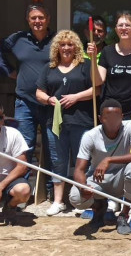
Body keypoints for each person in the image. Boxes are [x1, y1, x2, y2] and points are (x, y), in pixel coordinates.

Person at [36, 30, 101, 216]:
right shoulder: (49, 68)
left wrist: (76, 97)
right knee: (58, 161)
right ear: (57, 47)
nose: (66, 48)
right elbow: (39, 93)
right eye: (62, 44)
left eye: (70, 44)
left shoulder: (85, 65)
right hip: (56, 123)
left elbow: (96, 89)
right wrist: (49, 99)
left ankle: (86, 199)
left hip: (81, 121)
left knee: (82, 161)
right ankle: (59, 201)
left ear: (76, 47)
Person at [69, 99, 131, 235]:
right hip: (98, 180)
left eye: (116, 117)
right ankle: (99, 208)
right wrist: (83, 187)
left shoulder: (130, 126)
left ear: (122, 117)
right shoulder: (90, 136)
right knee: (75, 197)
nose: (112, 121)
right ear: (100, 118)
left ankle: (124, 214)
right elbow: (79, 170)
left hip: (121, 177)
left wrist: (109, 159)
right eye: (107, 117)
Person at [0, 5, 56, 166]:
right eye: (33, 18)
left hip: (50, 103)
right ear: (28, 20)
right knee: (24, 146)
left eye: (41, 17)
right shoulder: (18, 39)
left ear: (48, 19)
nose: (37, 21)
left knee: (52, 147)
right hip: (24, 102)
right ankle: (22, 186)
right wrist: (8, 70)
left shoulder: (58, 40)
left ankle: (51, 188)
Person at [92, 11, 131, 119]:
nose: (123, 28)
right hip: (110, 110)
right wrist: (93, 58)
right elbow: (97, 81)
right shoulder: (107, 51)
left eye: (127, 25)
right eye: (120, 25)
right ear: (116, 30)